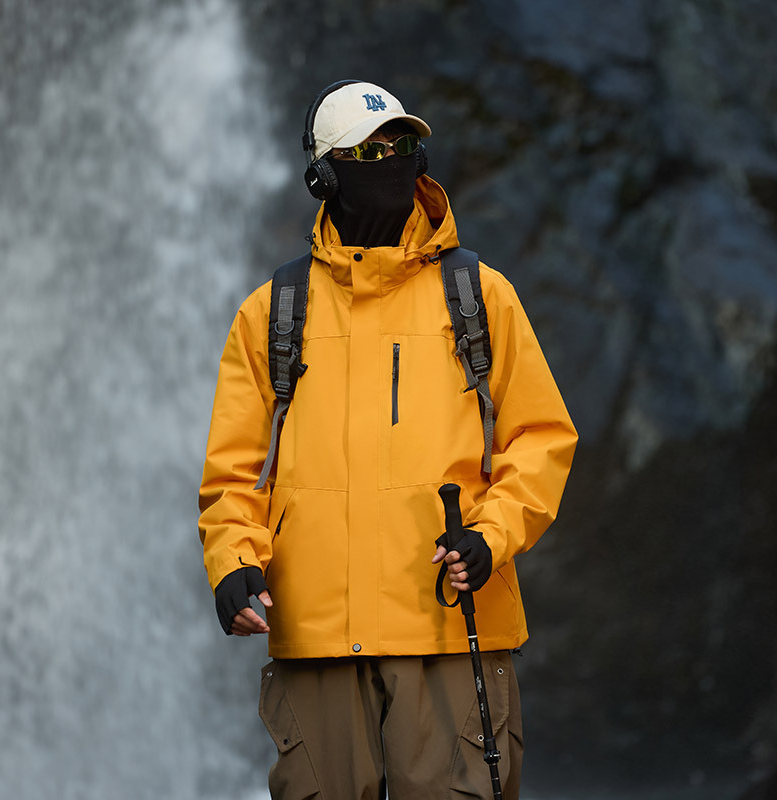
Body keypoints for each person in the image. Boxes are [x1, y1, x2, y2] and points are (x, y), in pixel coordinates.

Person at [198, 79, 578, 800]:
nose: (393, 163)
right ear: (324, 176)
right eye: (368, 152)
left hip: (451, 626)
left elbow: (542, 439)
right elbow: (233, 475)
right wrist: (233, 561)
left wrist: (491, 535)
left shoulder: (480, 295)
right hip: (318, 639)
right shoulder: (272, 313)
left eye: (402, 145)